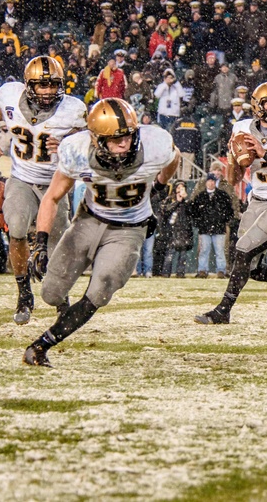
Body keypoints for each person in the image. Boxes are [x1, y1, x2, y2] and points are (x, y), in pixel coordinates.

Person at [22, 98, 180, 367]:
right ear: (96, 140)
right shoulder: (77, 150)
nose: (125, 143)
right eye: (116, 138)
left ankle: (42, 345)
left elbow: (173, 157)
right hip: (89, 220)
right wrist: (40, 242)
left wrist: (161, 185)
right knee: (50, 293)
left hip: (129, 229)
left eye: (129, 135)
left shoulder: (155, 144)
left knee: (101, 288)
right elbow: (51, 197)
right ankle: (65, 307)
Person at [0, 56, 87, 325]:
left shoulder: (72, 109)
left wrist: (66, 142)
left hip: (56, 182)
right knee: (16, 228)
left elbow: (89, 139)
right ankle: (24, 293)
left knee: (57, 244)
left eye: (53, 84)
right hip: (21, 178)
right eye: (42, 85)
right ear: (28, 85)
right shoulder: (9, 95)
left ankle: (60, 297)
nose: (49, 90)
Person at [194, 82, 267, 324]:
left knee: (244, 250)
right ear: (258, 106)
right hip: (256, 201)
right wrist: (234, 159)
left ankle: (223, 311)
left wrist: (264, 153)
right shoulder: (242, 128)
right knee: (250, 265)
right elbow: (234, 178)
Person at [191, 175, 233, 278]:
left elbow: (229, 210)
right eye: (209, 181)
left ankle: (221, 271)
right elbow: (194, 212)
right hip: (205, 228)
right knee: (205, 251)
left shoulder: (222, 196)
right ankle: (202, 270)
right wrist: (199, 222)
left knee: (219, 251)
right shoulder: (200, 196)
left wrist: (223, 220)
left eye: (213, 181)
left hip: (218, 228)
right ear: (206, 182)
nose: (211, 183)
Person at [164, 181, 194, 277]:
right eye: (178, 188)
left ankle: (180, 273)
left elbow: (192, 212)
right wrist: (177, 202)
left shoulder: (187, 201)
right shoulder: (170, 200)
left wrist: (185, 200)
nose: (180, 190)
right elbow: (166, 211)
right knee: (170, 254)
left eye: (182, 188)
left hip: (184, 230)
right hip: (172, 230)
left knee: (183, 255)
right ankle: (166, 273)